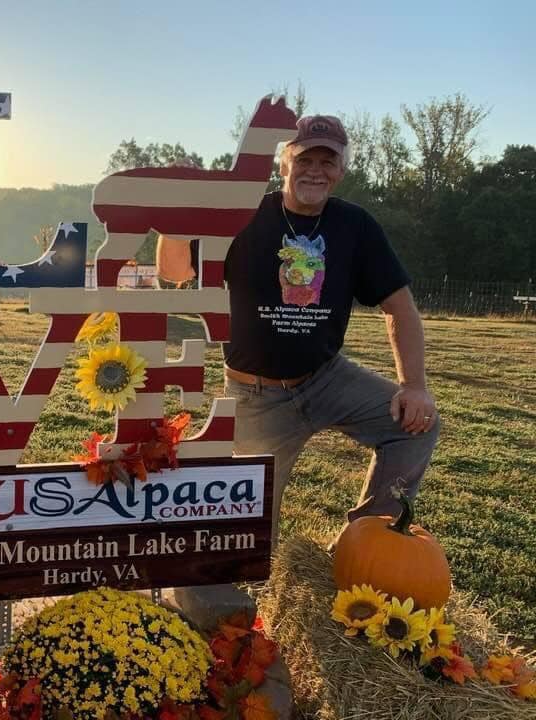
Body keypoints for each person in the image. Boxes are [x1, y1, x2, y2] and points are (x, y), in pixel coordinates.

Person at [160, 115, 439, 545]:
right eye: (305, 157)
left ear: (341, 171)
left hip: (325, 378)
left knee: (416, 423)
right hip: (256, 396)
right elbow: (173, 269)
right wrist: (177, 207)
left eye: (328, 161)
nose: (315, 170)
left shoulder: (356, 226)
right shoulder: (244, 216)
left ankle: (366, 541)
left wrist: (414, 386)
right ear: (283, 163)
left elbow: (400, 308)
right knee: (247, 537)